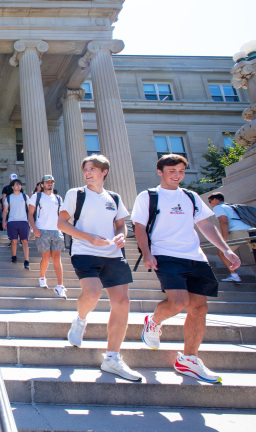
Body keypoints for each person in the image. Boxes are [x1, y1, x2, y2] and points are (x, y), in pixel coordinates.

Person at [133, 154, 240, 383]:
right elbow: (139, 227)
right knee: (179, 302)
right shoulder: (149, 196)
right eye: (172, 171)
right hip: (165, 255)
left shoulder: (191, 196)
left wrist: (226, 249)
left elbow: (205, 225)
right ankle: (153, 321)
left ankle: (189, 359)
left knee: (199, 307)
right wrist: (147, 253)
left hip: (195, 256)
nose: (177, 175)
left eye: (181, 171)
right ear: (160, 172)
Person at [58, 155, 141, 382]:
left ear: (104, 172)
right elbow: (62, 223)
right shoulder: (76, 194)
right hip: (84, 251)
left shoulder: (113, 197)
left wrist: (121, 237)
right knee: (93, 293)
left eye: (93, 168)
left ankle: (112, 357)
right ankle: (81, 320)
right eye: (85, 168)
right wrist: (89, 238)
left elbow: (121, 224)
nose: (88, 172)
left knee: (122, 302)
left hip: (112, 253)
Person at [28, 175, 66, 299]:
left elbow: (62, 214)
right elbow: (30, 214)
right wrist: (34, 228)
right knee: (46, 256)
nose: (49, 184)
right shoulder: (36, 197)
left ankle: (60, 286)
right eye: (47, 182)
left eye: (51, 182)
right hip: (42, 229)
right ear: (42, 184)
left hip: (56, 230)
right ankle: (42, 277)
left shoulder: (58, 198)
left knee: (57, 257)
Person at [207, 192, 252, 283]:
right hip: (250, 230)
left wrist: (224, 238)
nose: (210, 204)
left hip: (237, 231)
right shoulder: (230, 206)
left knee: (223, 252)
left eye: (210, 201)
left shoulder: (218, 207)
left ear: (215, 200)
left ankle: (235, 276)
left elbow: (224, 222)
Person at [2, 179, 31, 269]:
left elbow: (29, 210)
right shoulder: (9, 198)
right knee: (13, 241)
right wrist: (4, 221)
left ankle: (26, 260)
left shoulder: (25, 196)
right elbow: (5, 210)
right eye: (17, 184)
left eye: (20, 184)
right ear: (12, 187)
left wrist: (31, 222)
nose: (19, 186)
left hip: (23, 221)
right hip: (12, 221)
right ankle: (14, 256)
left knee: (25, 241)